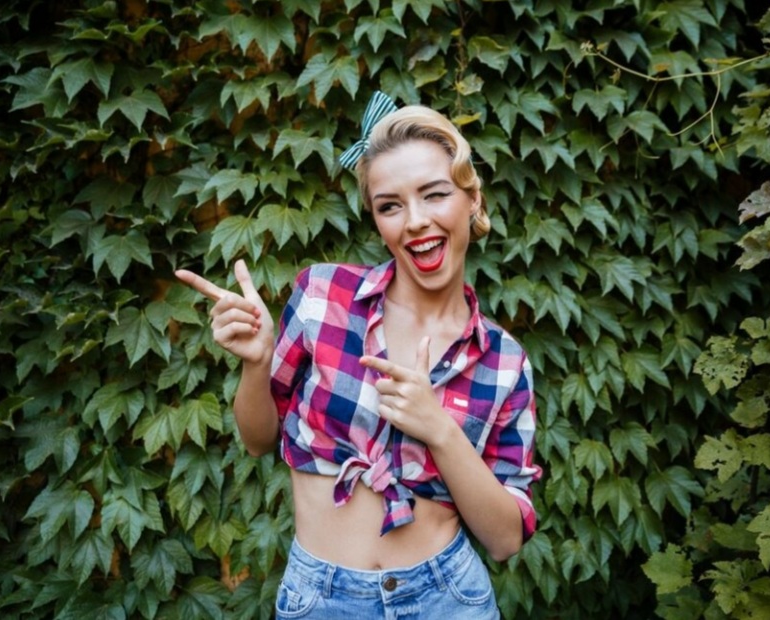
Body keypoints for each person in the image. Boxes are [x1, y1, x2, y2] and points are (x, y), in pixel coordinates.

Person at [175, 91, 541, 619]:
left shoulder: (503, 361)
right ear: (376, 219)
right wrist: (256, 362)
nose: (414, 221)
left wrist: (438, 429)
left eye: (435, 195)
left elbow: (505, 540)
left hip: (448, 599)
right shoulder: (323, 297)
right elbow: (258, 440)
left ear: (472, 200)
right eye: (390, 205)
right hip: (321, 598)